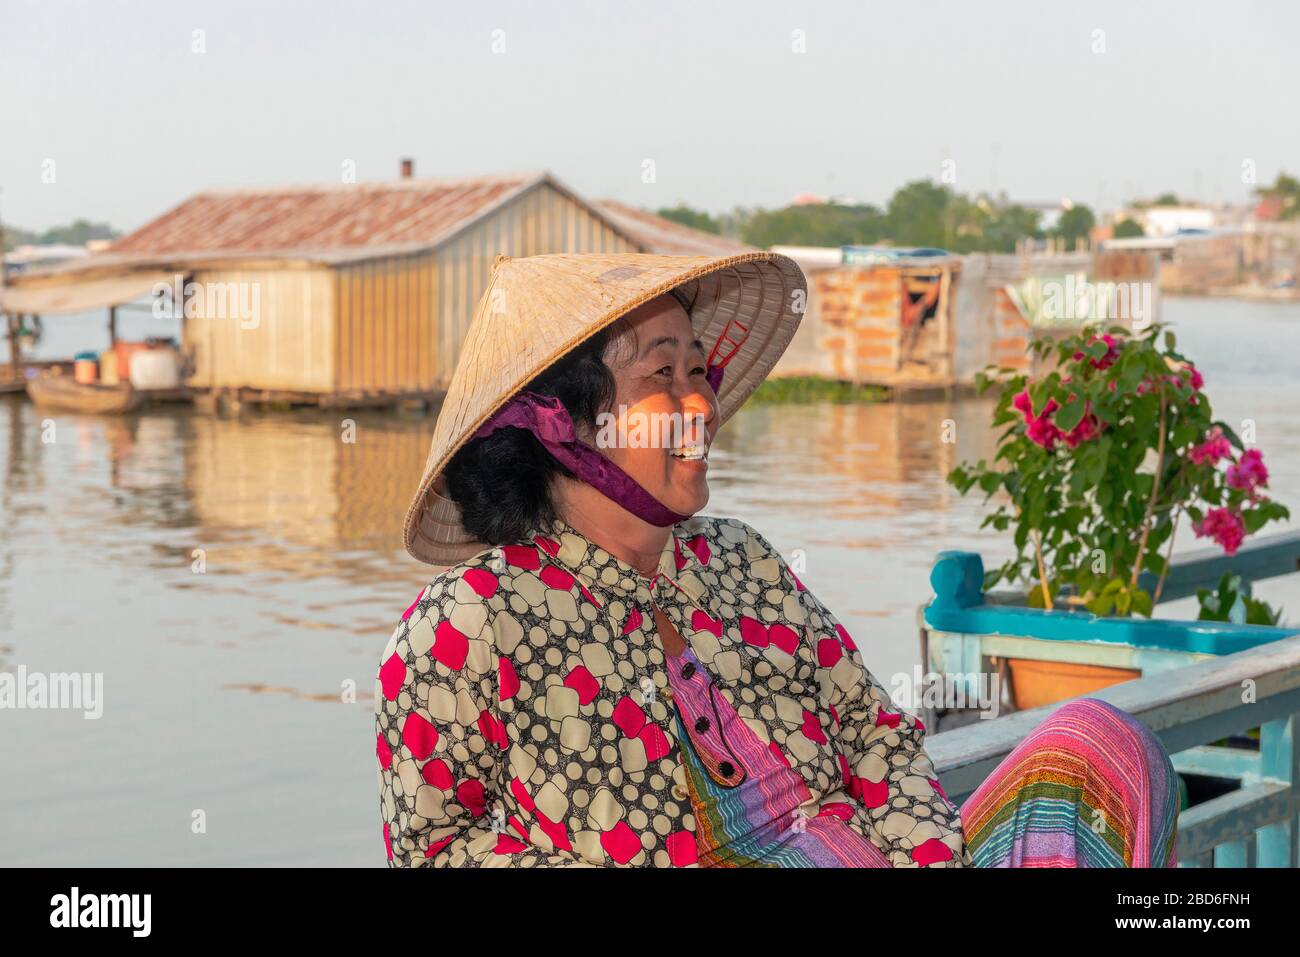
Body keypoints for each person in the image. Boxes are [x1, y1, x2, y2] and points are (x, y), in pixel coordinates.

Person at [375, 252, 1180, 867]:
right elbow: (440, 847)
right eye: (663, 373)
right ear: (559, 423)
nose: (702, 404)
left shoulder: (741, 560)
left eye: (700, 370)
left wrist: (920, 854)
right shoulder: (465, 622)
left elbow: (873, 734)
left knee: (1102, 746)